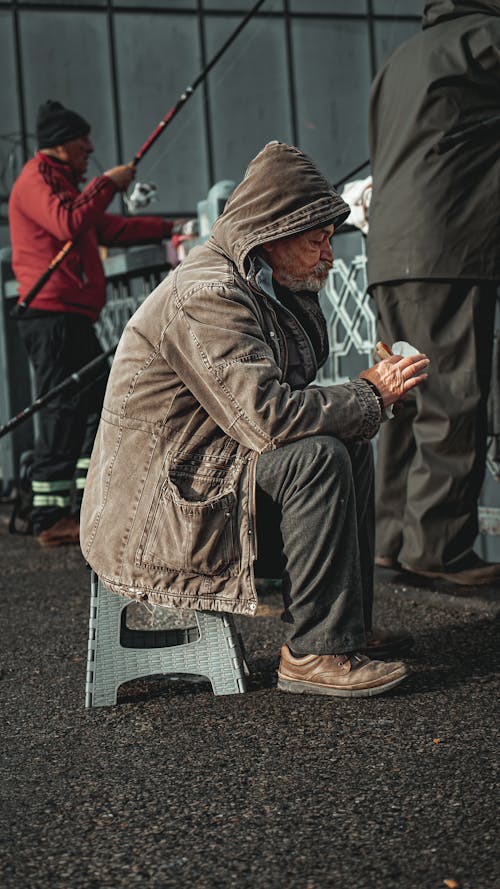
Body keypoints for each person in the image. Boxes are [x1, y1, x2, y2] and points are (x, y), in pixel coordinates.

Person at [81, 141, 429, 698]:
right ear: (272, 232)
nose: (330, 257)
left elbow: (272, 409)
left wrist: (372, 399)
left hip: (203, 476)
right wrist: (367, 393)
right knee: (316, 457)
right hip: (156, 514)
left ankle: (345, 626)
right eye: (317, 241)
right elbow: (266, 419)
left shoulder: (259, 283)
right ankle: (314, 651)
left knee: (346, 443)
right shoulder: (208, 295)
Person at [367, 0, 500, 586]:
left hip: (389, 253)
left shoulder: (399, 59)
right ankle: (440, 549)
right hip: (448, 244)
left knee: (402, 397)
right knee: (450, 395)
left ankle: (390, 540)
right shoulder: (489, 39)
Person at [9, 99, 175, 547]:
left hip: (72, 317)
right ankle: (47, 515)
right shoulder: (36, 181)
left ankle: (86, 501)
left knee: (100, 400)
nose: (90, 147)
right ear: (61, 144)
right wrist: (107, 182)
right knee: (64, 406)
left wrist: (168, 229)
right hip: (51, 316)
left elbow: (106, 229)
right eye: (83, 140)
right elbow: (68, 223)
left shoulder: (64, 184)